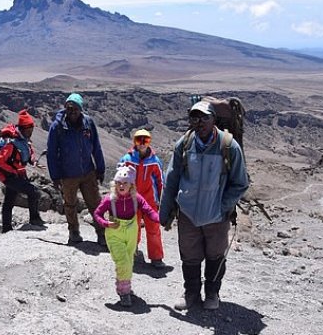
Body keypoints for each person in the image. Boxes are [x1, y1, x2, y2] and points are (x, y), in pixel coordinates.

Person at [159, 100, 249, 311]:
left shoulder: (228, 146)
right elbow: (171, 179)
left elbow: (240, 183)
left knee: (215, 256)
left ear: (213, 119)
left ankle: (212, 293)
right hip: (188, 214)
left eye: (204, 117)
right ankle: (191, 293)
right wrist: (165, 213)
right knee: (189, 256)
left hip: (216, 217)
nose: (199, 122)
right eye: (194, 117)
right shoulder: (184, 143)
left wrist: (222, 206)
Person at [94, 165, 160, 307]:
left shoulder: (136, 198)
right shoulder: (109, 199)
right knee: (122, 261)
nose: (121, 186)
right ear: (115, 184)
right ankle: (124, 293)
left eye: (125, 183)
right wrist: (106, 223)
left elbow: (148, 210)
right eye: (119, 183)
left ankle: (124, 285)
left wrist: (159, 218)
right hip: (114, 233)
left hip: (131, 231)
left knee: (129, 261)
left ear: (131, 185)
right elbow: (97, 214)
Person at [47, 92, 107, 247]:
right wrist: (55, 176)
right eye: (69, 108)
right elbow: (52, 153)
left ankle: (102, 234)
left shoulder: (88, 123)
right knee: (70, 204)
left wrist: (100, 169)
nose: (72, 111)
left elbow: (96, 147)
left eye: (75, 108)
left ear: (81, 109)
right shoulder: (57, 127)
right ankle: (73, 232)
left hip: (88, 172)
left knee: (95, 204)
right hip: (68, 175)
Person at [119, 129, 165, 268]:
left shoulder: (154, 161)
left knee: (153, 227)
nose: (143, 143)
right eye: (139, 140)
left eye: (146, 140)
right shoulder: (127, 160)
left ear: (149, 142)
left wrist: (163, 200)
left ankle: (156, 257)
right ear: (135, 142)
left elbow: (161, 181)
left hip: (149, 199)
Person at [0, 109, 45, 233]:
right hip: (10, 176)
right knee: (34, 192)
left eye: (31, 130)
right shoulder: (11, 143)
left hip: (17, 175)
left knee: (9, 200)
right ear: (22, 128)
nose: (30, 132)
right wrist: (12, 170)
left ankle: (6, 229)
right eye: (28, 130)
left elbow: (28, 153)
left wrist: (34, 162)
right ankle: (34, 219)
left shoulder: (23, 140)